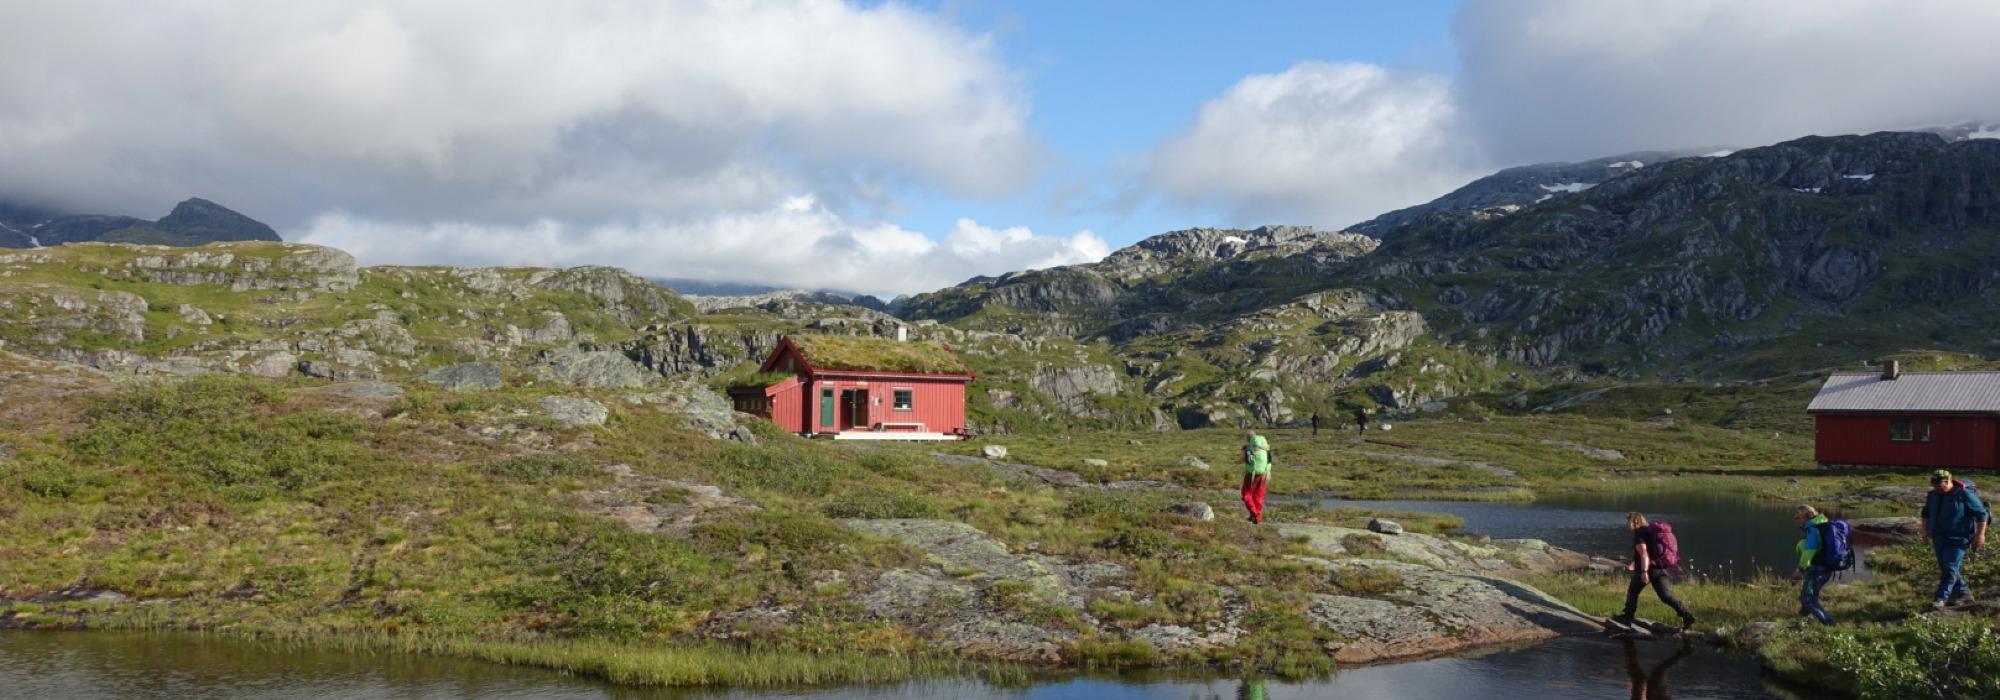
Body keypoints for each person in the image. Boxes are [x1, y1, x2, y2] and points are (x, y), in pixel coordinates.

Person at [1613, 512, 1697, 629]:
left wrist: (1644, 572)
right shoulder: (1650, 532)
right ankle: (1687, 616)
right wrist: (1634, 564)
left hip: (1648, 570)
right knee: (1665, 596)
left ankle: (1627, 618)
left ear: (1634, 522)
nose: (1627, 525)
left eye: (1628, 522)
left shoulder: (1639, 534)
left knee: (1633, 592)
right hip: (1660, 568)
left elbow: (1644, 554)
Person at [1921, 469, 1990, 610]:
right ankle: (1964, 594)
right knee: (1946, 567)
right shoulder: (1933, 495)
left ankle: (1940, 598)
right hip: (1938, 537)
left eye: (1939, 485)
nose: (1937, 488)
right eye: (1934, 485)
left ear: (1948, 481)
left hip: (1959, 538)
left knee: (1950, 566)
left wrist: (1980, 535)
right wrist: (1925, 531)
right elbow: (1926, 512)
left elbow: (1981, 514)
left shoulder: (1963, 494)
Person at [1791, 504, 1836, 625]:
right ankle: (1801, 620)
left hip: (1818, 568)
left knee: (1808, 598)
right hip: (1825, 566)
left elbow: (1810, 550)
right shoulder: (1821, 524)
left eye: (1797, 517)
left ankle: (1830, 624)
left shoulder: (1813, 528)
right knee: (1807, 595)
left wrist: (1800, 569)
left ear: (1806, 516)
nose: (1796, 519)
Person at [1241, 432, 1271, 524]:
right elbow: (1269, 461)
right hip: (1264, 473)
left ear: (1248, 439)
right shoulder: (1265, 448)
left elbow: (1242, 460)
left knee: (1246, 493)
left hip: (1251, 474)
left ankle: (1255, 514)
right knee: (1258, 495)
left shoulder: (1246, 448)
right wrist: (1269, 473)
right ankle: (1255, 515)